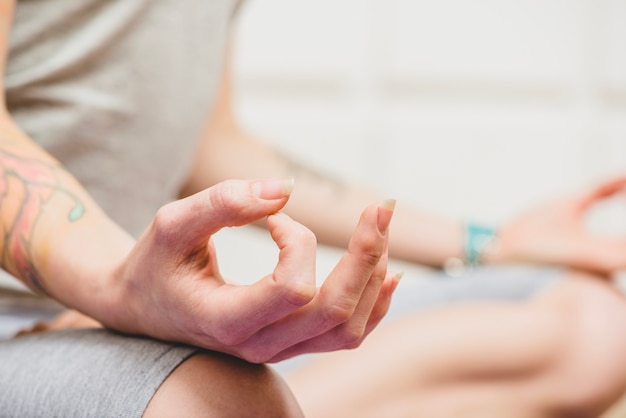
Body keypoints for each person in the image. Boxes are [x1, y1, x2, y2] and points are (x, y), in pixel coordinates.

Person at [2, 0, 626, 416]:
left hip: (124, 310)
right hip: (22, 318)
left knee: (595, 328)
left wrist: (487, 242)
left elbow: (213, 144)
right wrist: (117, 288)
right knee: (218, 406)